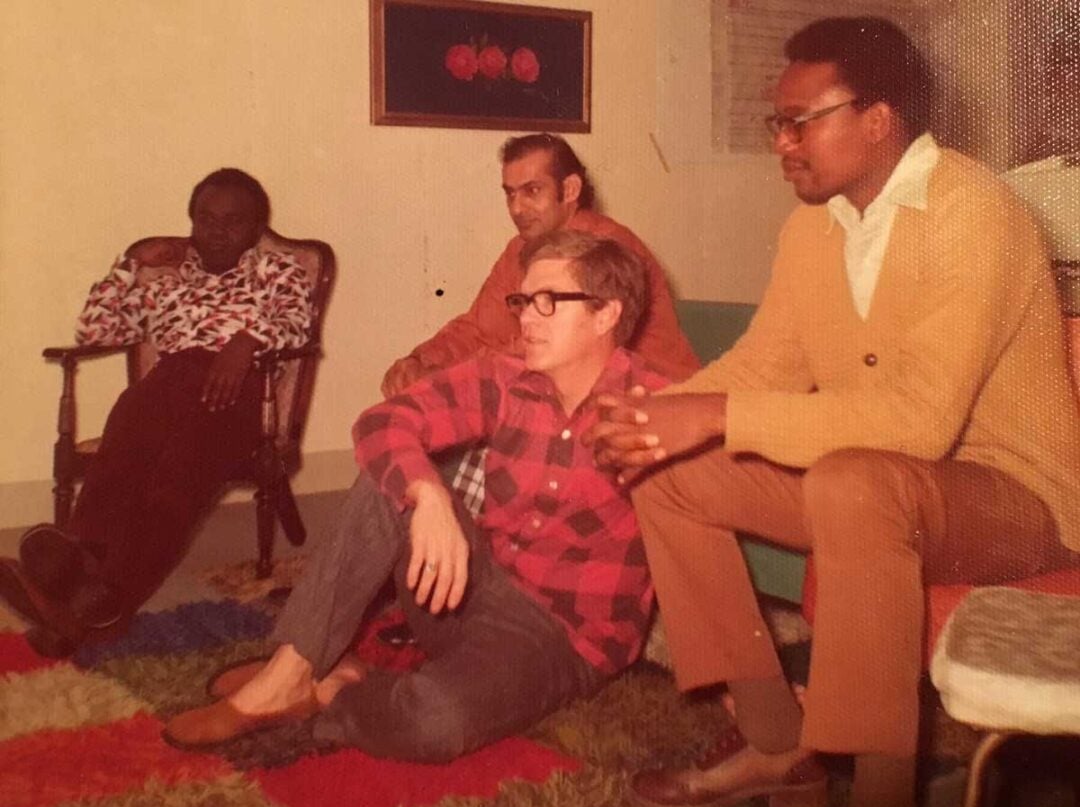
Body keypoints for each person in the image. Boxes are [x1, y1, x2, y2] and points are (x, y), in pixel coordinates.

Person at [584, 17, 1080, 807]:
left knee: (855, 483)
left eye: (799, 122)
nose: (781, 142)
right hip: (886, 484)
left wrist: (717, 413)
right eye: (776, 123)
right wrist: (651, 415)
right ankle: (780, 743)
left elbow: (918, 422)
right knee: (672, 469)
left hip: (1018, 504)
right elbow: (764, 367)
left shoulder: (975, 210)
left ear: (877, 119)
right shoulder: (813, 226)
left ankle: (882, 801)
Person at [162, 231, 670, 761]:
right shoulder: (506, 376)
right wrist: (429, 496)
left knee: (435, 721)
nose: (526, 318)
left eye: (548, 301)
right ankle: (291, 672)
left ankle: (338, 688)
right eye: (523, 301)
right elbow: (385, 421)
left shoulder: (655, 408)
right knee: (390, 479)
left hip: (561, 639)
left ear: (607, 314)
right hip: (465, 591)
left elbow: (700, 540)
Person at [0, 168, 312, 657]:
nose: (218, 230)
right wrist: (128, 264)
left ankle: (85, 600)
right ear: (190, 223)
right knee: (120, 460)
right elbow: (95, 332)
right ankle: (79, 590)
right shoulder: (164, 284)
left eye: (234, 221)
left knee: (174, 482)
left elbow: (296, 323)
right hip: (167, 389)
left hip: (239, 396)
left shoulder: (277, 271)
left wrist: (246, 343)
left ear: (256, 229)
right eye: (206, 218)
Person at [380, 132, 698, 396]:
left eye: (532, 191)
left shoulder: (607, 248)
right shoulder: (521, 249)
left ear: (570, 190)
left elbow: (555, 349)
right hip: (567, 396)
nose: (517, 208)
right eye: (510, 194)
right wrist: (418, 360)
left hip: (651, 404)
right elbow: (479, 329)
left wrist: (444, 376)